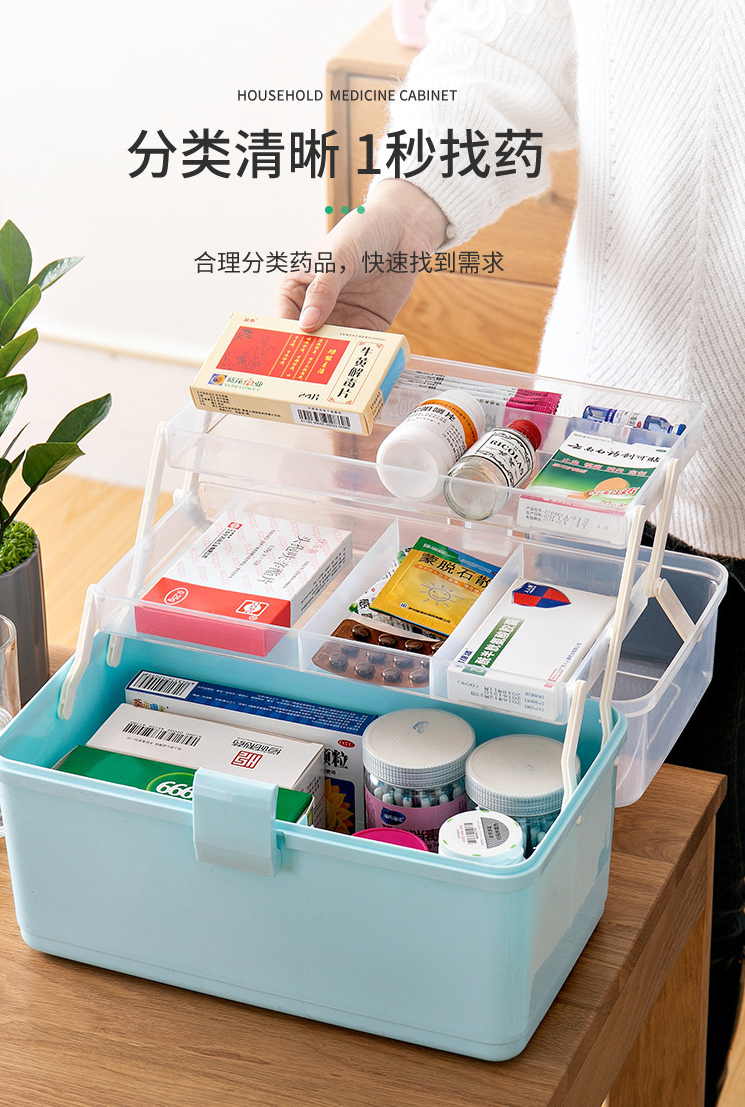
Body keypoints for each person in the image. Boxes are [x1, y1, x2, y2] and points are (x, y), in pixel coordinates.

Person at [276, 3, 745, 1101]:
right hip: (631, 467)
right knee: (661, 890)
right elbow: (502, 51)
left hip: (654, 466)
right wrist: (396, 219)